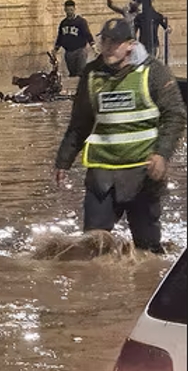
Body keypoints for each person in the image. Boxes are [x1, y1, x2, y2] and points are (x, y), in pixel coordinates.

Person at [54, 18, 187, 254]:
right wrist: (63, 160)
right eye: (104, 41)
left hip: (143, 174)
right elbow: (80, 123)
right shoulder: (91, 74)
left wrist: (162, 154)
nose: (107, 48)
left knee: (148, 250)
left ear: (130, 45)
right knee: (92, 247)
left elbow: (175, 115)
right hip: (102, 175)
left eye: (114, 43)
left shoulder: (154, 71)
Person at [53, 0, 95, 77]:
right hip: (69, 52)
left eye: (71, 10)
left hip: (80, 51)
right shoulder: (63, 23)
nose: (69, 12)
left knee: (81, 72)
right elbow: (60, 37)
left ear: (74, 9)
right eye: (67, 10)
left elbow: (87, 34)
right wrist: (55, 49)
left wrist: (93, 45)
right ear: (65, 10)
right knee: (72, 73)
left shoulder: (81, 22)